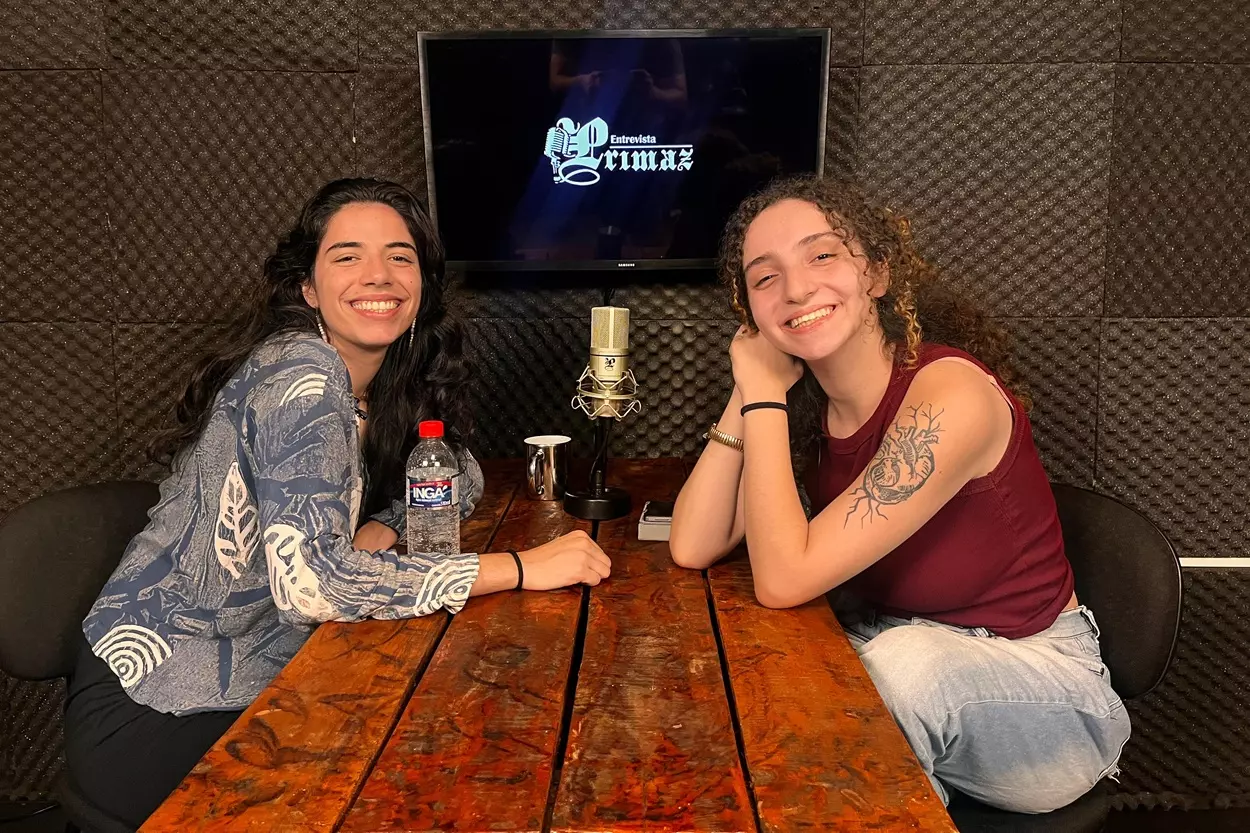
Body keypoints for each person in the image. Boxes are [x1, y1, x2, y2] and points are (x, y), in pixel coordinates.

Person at [64, 178, 611, 828]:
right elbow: (313, 586)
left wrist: (379, 528)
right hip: (154, 702)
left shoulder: (376, 384)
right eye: (347, 256)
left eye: (400, 256)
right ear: (307, 287)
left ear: (423, 284)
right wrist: (520, 568)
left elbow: (459, 473)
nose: (377, 274)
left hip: (251, 670)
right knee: (413, 783)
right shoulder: (301, 376)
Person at [669, 175, 1129, 813]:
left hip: (1048, 692)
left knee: (902, 668)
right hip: (890, 655)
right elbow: (693, 543)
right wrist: (752, 382)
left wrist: (766, 394)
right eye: (764, 278)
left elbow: (783, 578)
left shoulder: (952, 396)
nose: (796, 288)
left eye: (822, 255)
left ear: (878, 274)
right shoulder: (802, 404)